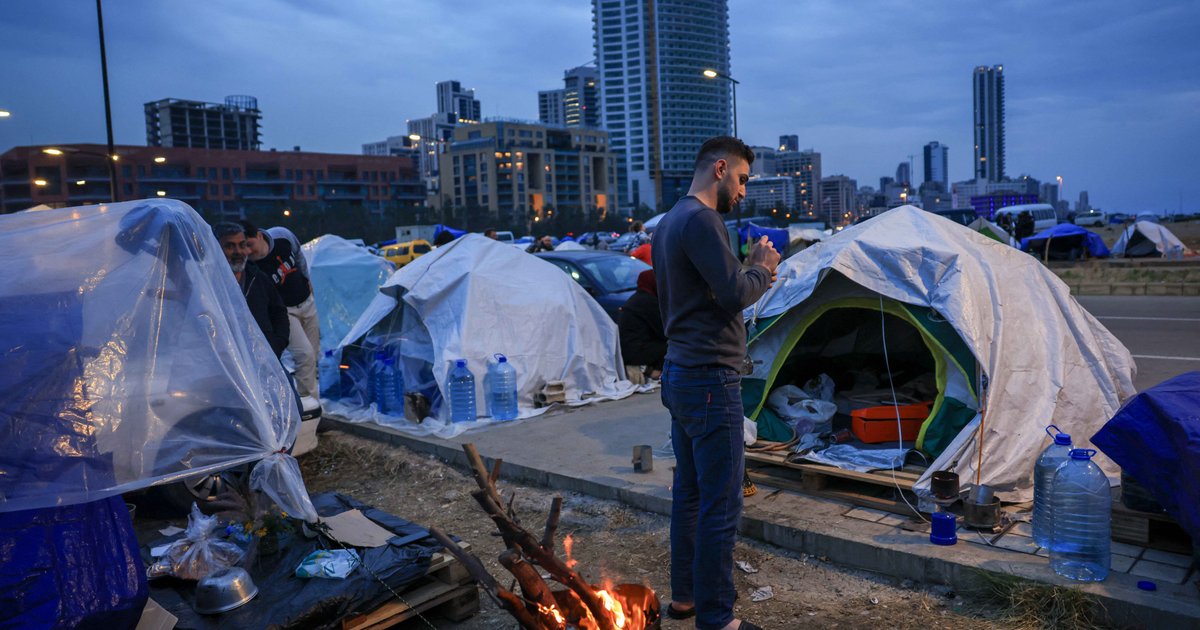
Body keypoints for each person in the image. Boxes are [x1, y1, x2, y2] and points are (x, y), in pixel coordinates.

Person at [651, 136, 779, 630]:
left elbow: (710, 289)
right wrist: (762, 269)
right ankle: (718, 620)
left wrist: (745, 265)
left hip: (682, 373)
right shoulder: (703, 220)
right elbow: (733, 295)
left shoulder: (670, 221)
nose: (744, 191)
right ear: (720, 169)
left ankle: (684, 599)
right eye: (742, 179)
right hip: (709, 380)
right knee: (721, 506)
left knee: (690, 495)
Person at [241, 220, 321, 398]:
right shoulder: (252, 268)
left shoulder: (281, 236)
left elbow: (298, 255)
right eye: (244, 246)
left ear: (259, 236)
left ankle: (309, 399)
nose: (248, 251)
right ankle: (309, 405)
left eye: (250, 244)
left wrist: (306, 278)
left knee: (313, 357)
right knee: (304, 355)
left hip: (306, 301)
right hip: (287, 311)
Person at [212, 222, 289, 357]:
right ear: (215, 248)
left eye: (242, 245)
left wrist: (277, 343)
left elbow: (278, 311)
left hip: (264, 359)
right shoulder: (209, 282)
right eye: (230, 246)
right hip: (225, 362)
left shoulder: (257, 278)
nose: (238, 252)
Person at [618, 269, 666, 384]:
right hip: (636, 351)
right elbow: (663, 331)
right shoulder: (648, 302)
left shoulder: (639, 298)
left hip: (628, 350)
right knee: (673, 345)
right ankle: (656, 372)